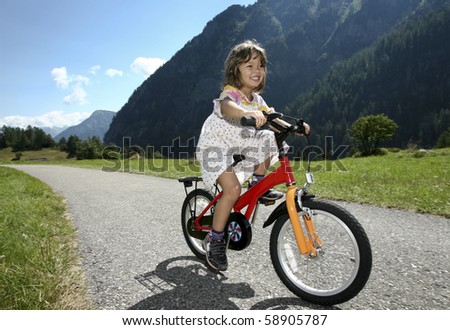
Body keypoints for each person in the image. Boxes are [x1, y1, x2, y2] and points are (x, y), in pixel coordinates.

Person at [196, 40, 310, 272]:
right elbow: (227, 107)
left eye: (260, 66)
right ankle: (216, 240)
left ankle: (259, 183)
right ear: (235, 70)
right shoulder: (231, 93)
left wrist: (294, 127)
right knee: (233, 190)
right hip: (215, 147)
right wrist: (246, 112)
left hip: (238, 145)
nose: (256, 70)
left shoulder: (258, 101)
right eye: (249, 66)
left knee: (269, 138)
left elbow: (272, 119)